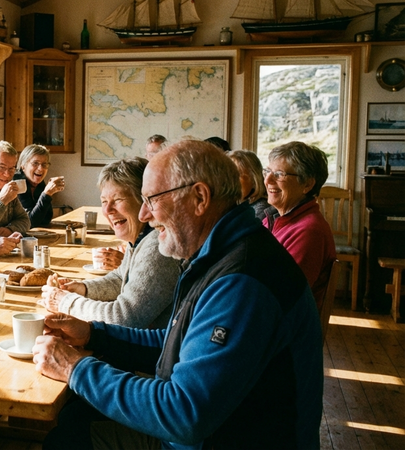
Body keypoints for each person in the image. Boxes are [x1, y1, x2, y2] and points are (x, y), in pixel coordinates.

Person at [34, 139, 323, 450]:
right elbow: (178, 341)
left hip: (220, 438)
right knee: (75, 413)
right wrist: (92, 335)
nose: (144, 214)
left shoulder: (242, 281)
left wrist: (75, 368)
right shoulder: (221, 253)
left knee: (67, 439)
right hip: (217, 429)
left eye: (152, 199)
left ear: (199, 197)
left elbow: (184, 415)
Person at [40, 157, 180, 328]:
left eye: (118, 200)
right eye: (104, 201)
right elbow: (120, 278)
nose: (107, 210)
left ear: (144, 201)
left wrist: (65, 302)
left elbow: (123, 317)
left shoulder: (157, 247)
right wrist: (82, 288)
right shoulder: (141, 237)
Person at [263, 141, 336, 308]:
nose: (267, 180)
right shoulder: (272, 219)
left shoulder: (309, 231)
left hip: (284, 328)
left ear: (307, 185)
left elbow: (283, 294)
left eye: (279, 174)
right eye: (267, 171)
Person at [14, 144, 65, 228]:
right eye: (35, 163)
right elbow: (30, 222)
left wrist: (47, 193)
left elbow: (46, 219)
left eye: (44, 164)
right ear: (23, 167)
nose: (40, 169)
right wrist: (46, 194)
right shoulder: (18, 182)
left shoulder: (37, 181)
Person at [227, 149, 271, 220]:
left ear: (254, 180)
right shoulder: (236, 204)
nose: (230, 181)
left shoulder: (260, 210)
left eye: (237, 175)